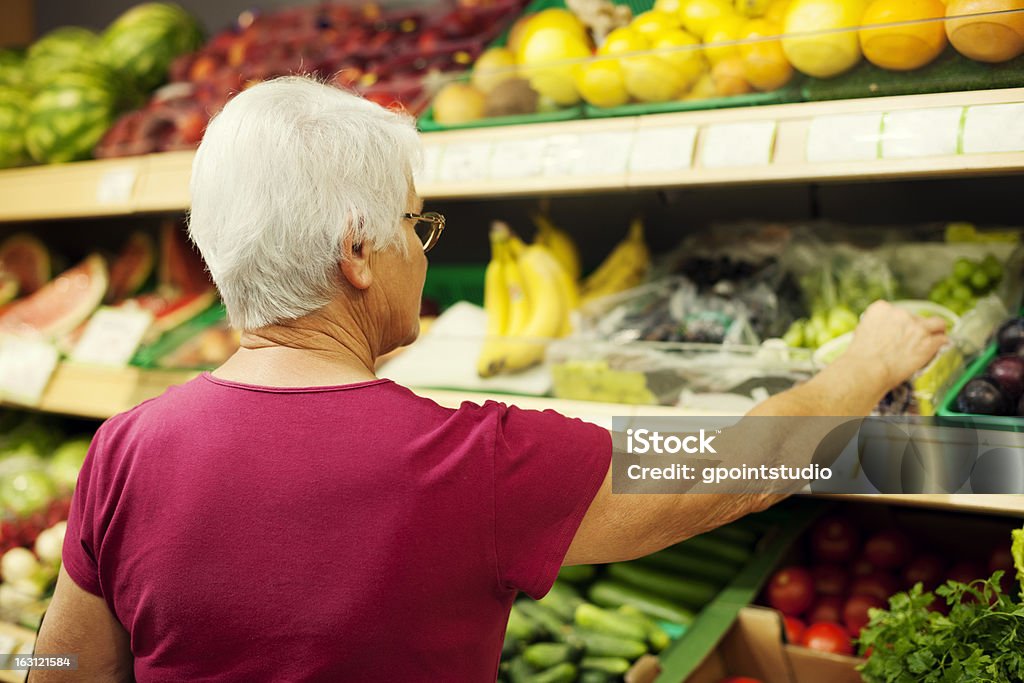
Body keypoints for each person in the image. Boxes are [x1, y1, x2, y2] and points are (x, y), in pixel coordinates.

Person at [33, 77, 947, 682]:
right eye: (417, 230)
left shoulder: (127, 448)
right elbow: (734, 463)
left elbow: (63, 672)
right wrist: (868, 361)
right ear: (358, 250)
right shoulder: (474, 462)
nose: (423, 259)